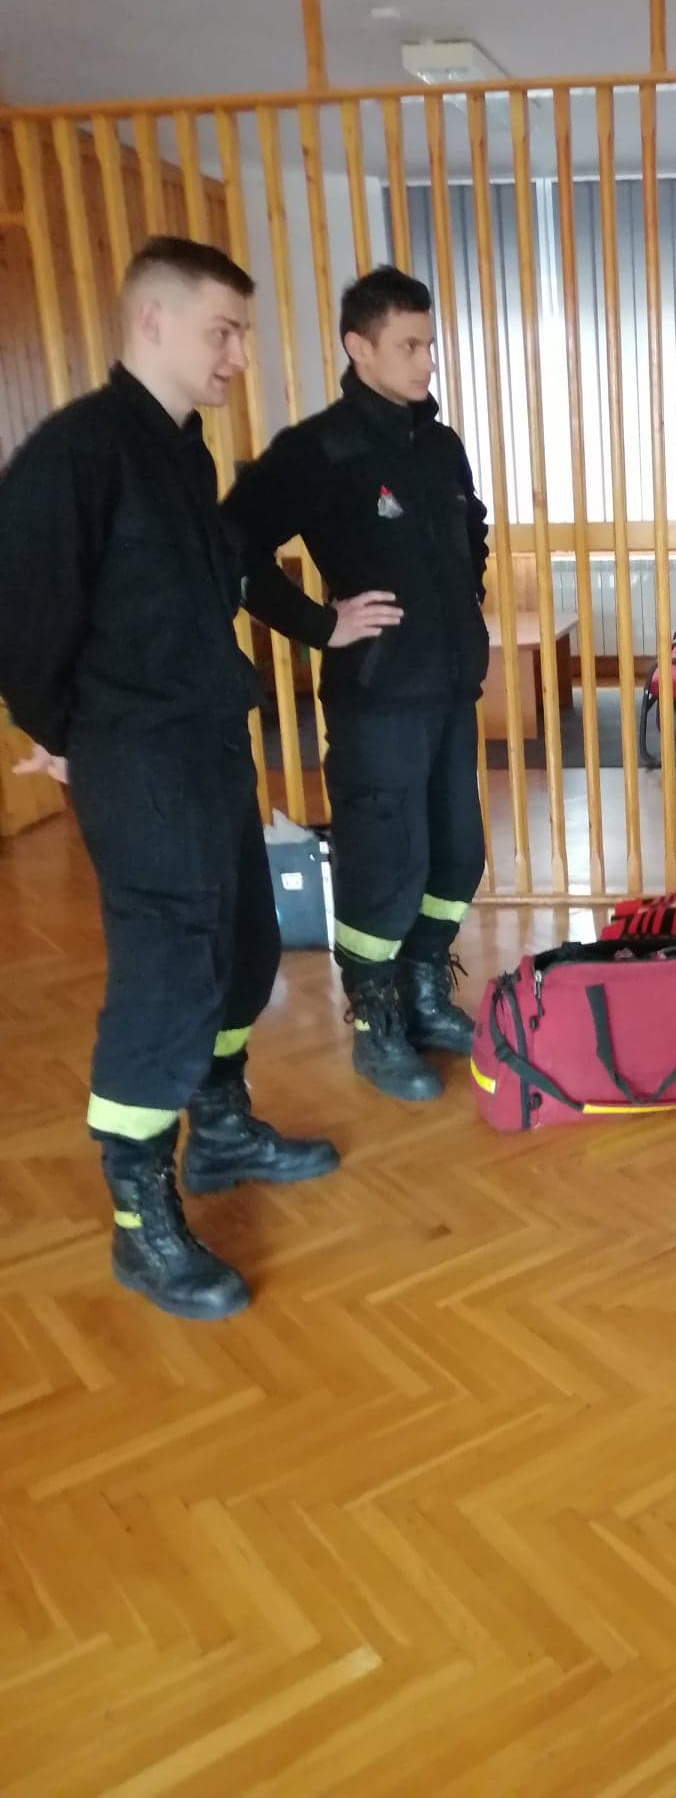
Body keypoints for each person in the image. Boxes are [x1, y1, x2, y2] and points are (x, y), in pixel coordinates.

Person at [0, 237, 340, 1323]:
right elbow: (22, 619)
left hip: (206, 745)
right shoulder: (77, 454)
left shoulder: (183, 453)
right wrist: (63, 734)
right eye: (222, 331)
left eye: (242, 332)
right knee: (169, 976)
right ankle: (139, 1221)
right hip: (136, 758)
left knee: (243, 948)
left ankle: (222, 1131)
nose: (238, 353)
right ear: (153, 322)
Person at [224, 267, 489, 1102]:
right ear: (358, 347)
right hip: (377, 704)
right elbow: (230, 546)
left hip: (451, 691)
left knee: (457, 855)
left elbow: (471, 529)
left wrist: (467, 595)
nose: (427, 361)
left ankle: (423, 997)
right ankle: (377, 1028)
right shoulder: (318, 450)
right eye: (409, 346)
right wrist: (319, 622)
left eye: (429, 344)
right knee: (386, 866)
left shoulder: (439, 445)